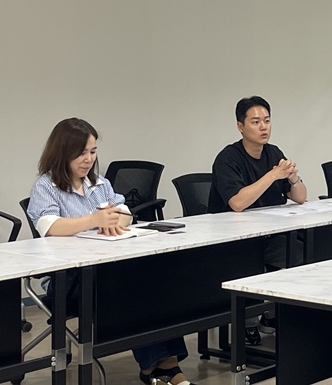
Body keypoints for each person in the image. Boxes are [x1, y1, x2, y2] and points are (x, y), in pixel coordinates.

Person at [27, 118, 195, 385]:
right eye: (81, 153)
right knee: (131, 288)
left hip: (106, 267)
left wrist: (117, 219)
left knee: (156, 281)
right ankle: (157, 368)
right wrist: (94, 219)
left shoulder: (99, 184)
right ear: (62, 152)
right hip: (69, 278)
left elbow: (124, 211)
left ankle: (168, 364)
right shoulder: (46, 186)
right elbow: (49, 226)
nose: (88, 159)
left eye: (93, 152)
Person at [208, 95, 307, 345]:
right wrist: (273, 175)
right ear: (240, 127)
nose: (263, 127)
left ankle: (272, 315)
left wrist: (293, 178)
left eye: (267, 121)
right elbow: (237, 203)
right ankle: (247, 322)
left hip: (270, 234)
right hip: (234, 239)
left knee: (302, 253)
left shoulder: (274, 153)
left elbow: (300, 197)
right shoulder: (228, 158)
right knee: (251, 260)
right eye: (255, 122)